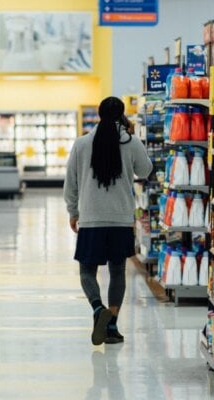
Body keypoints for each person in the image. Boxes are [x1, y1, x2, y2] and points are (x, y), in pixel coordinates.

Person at [64, 96, 153, 346]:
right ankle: (112, 325)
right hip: (121, 218)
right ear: (122, 115)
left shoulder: (82, 144)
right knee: (117, 271)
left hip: (91, 218)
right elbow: (145, 171)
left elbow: (70, 182)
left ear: (100, 114)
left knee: (86, 271)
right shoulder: (131, 142)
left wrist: (73, 211)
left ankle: (97, 308)